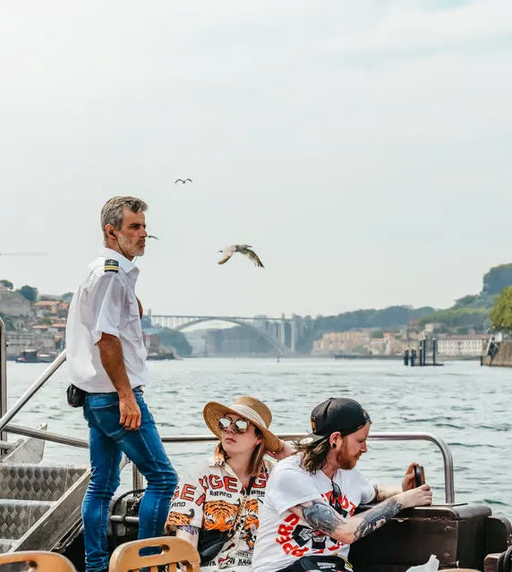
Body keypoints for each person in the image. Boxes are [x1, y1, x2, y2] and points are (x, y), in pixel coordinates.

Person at [65, 196, 178, 572]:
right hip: (115, 398)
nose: (144, 233)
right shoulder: (111, 275)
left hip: (95, 399)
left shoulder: (103, 271)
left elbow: (106, 324)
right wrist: (127, 396)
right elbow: (107, 340)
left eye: (144, 226)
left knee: (102, 485)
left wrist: (133, 303)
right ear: (111, 231)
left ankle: (97, 567)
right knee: (163, 479)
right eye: (135, 227)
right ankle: (143, 565)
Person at [251, 397, 433, 572]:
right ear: (335, 439)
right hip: (284, 567)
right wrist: (401, 500)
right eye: (360, 440)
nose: (365, 448)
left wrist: (404, 490)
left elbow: (375, 491)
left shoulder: (347, 473)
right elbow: (344, 532)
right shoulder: (289, 475)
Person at [167, 396, 295, 571]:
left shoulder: (276, 476)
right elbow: (186, 538)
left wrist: (284, 452)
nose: (230, 430)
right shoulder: (200, 475)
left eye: (241, 425)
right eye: (225, 422)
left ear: (258, 438)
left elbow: (318, 474)